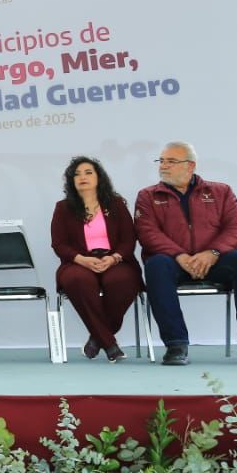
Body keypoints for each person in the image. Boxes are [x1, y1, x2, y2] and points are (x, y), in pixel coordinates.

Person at [134, 141, 237, 366]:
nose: (163, 166)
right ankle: (176, 344)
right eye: (161, 161)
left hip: (215, 260)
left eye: (171, 161)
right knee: (156, 266)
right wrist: (179, 255)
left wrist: (212, 252)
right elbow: (147, 233)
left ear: (190, 165)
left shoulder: (220, 191)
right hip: (173, 262)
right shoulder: (147, 195)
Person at [50, 156, 143, 363]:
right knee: (78, 280)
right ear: (71, 181)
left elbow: (129, 239)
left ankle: (97, 338)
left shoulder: (116, 204)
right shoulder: (63, 208)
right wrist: (81, 259)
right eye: (77, 174)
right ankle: (110, 345)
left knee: (122, 281)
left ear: (99, 178)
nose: (82, 177)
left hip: (115, 259)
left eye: (88, 172)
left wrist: (114, 258)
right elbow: (59, 244)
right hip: (78, 262)